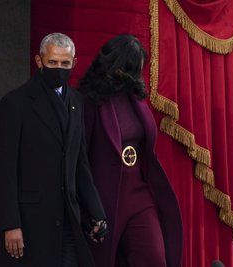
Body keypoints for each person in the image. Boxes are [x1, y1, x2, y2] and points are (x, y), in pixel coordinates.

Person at [0, 32, 107, 267]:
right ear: (39, 61)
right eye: (52, 62)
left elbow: (79, 162)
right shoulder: (15, 103)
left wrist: (97, 212)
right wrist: (11, 224)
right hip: (29, 224)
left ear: (74, 63)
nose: (59, 68)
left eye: (65, 63)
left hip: (68, 220)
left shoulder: (76, 101)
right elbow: (4, 169)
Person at [78, 34, 183, 267]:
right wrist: (89, 210)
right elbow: (80, 159)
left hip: (139, 194)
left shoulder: (135, 96)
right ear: (122, 66)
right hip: (105, 199)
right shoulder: (88, 101)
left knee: (154, 258)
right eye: (136, 68)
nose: (140, 74)